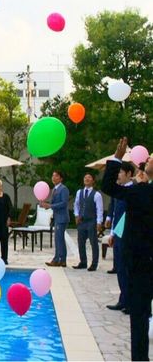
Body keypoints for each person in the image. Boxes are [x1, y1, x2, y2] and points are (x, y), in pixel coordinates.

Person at [102, 138, 153, 362]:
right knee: (139, 314)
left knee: (139, 317)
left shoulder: (141, 192)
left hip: (141, 262)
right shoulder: (142, 190)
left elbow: (108, 187)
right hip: (142, 260)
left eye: (151, 158)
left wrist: (117, 158)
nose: (148, 158)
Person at [105, 163, 134, 312]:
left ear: (129, 174)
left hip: (127, 235)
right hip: (117, 233)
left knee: (127, 269)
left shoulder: (133, 191)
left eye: (121, 172)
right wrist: (112, 233)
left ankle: (129, 301)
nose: (118, 175)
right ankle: (123, 299)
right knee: (120, 268)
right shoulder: (120, 191)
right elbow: (116, 213)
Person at [72, 173, 103, 271]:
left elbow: (99, 209)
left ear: (93, 180)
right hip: (81, 221)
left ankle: (94, 263)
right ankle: (83, 262)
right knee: (80, 242)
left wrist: (99, 222)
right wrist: (76, 215)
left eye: (89, 177)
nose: (87, 179)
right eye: (85, 177)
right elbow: (76, 204)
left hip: (91, 221)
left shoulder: (97, 194)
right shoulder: (79, 192)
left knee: (93, 243)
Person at [41, 170, 70, 267]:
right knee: (58, 239)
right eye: (53, 175)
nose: (53, 177)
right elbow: (54, 203)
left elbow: (64, 203)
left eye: (56, 176)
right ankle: (60, 260)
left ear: (61, 178)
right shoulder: (54, 189)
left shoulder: (63, 189)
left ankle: (59, 259)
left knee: (59, 239)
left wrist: (50, 206)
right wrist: (46, 205)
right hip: (57, 217)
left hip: (62, 217)